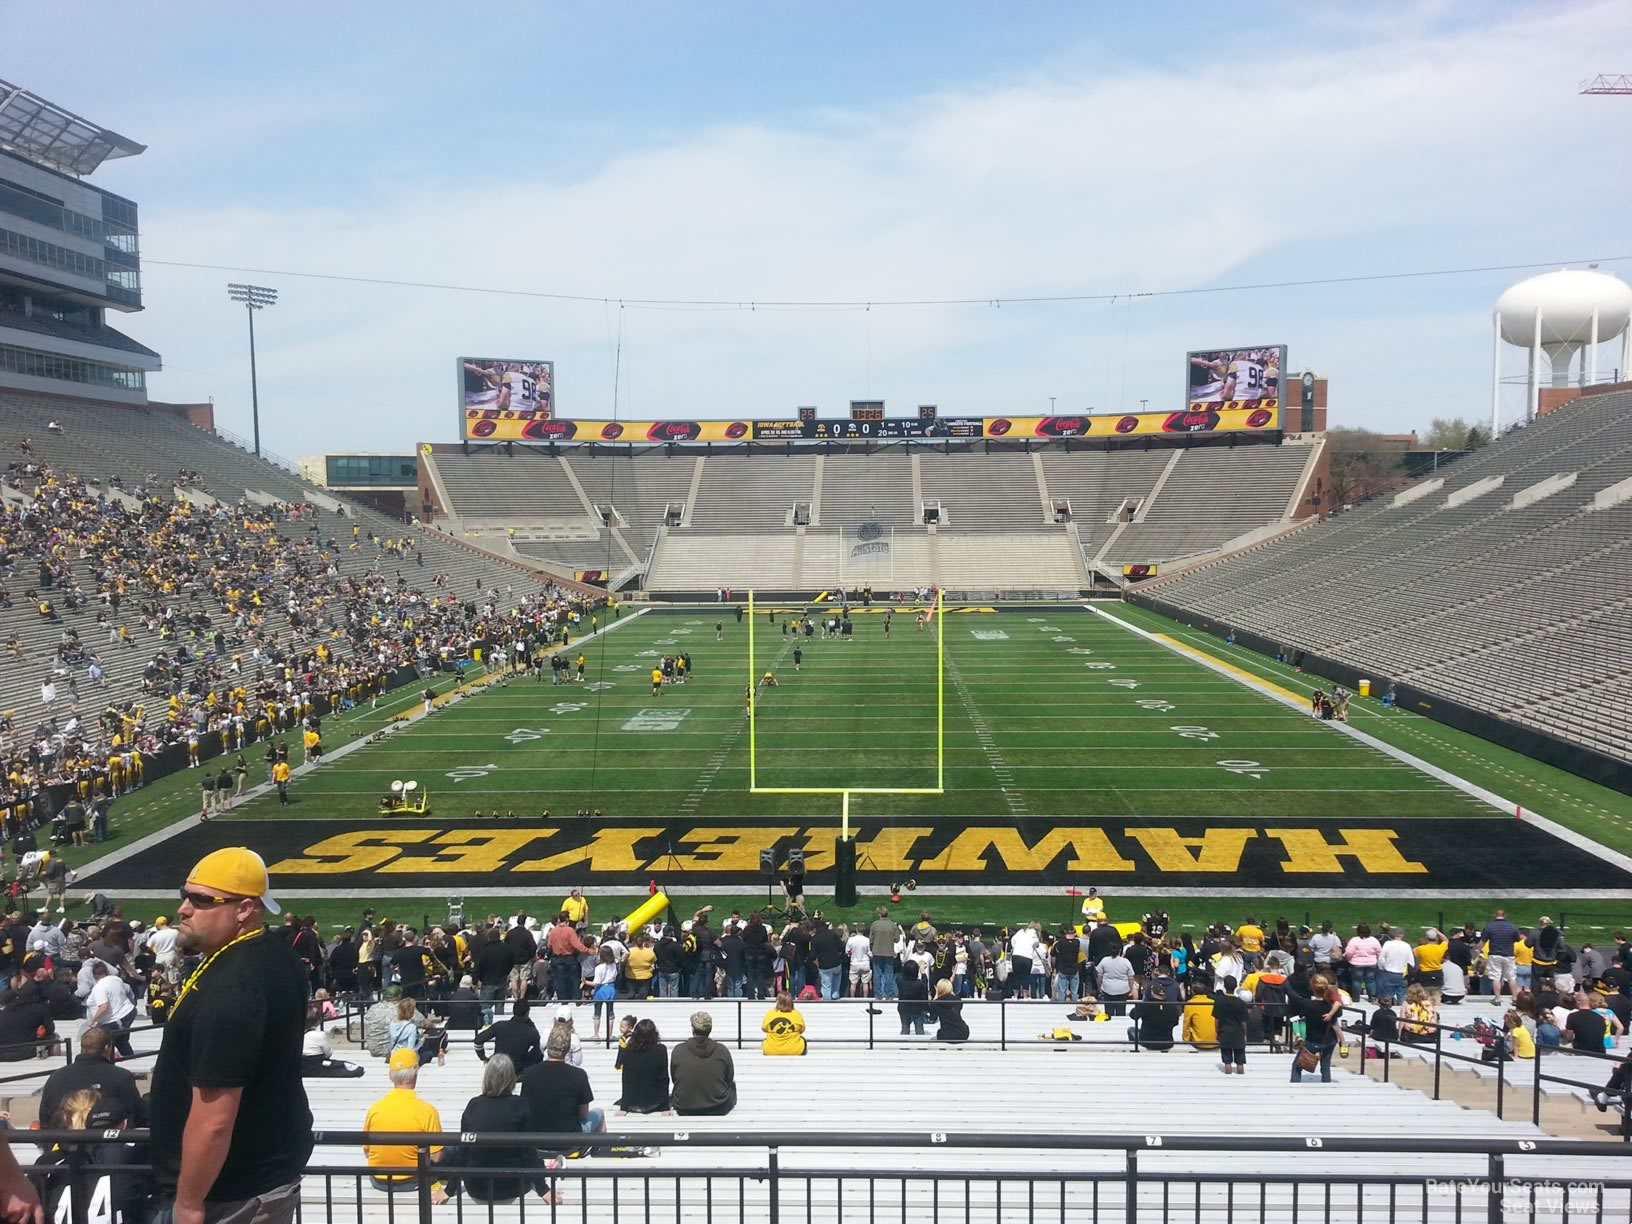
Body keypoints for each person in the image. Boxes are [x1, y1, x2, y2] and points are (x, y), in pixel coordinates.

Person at [150, 847, 313, 1224]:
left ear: (244, 909)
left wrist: (189, 1203)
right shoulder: (269, 954)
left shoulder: (234, 988)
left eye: (202, 900)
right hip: (253, 1179)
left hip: (226, 1196)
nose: (184, 909)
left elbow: (215, 1117)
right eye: (185, 896)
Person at [447, 1055, 562, 1205]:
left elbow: (463, 1151)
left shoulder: (473, 1105)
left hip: (477, 1187)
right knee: (537, 1160)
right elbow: (527, 1152)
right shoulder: (520, 1105)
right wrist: (543, 1189)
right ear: (511, 1078)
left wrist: (448, 1189)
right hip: (513, 1185)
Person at [363, 1049, 448, 1200]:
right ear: (416, 1074)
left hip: (379, 1180)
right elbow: (437, 1157)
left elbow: (367, 1152)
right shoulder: (427, 1110)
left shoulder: (375, 1109)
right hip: (414, 1179)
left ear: (391, 1076)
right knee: (451, 1148)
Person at [39, 1022, 140, 1132]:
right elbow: (134, 1116)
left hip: (62, 1140)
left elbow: (45, 1119)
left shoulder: (56, 1077)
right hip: (106, 1143)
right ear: (107, 1047)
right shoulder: (122, 1077)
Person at [520, 1025, 605, 1140]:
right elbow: (583, 1115)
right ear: (568, 1048)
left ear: (547, 1045)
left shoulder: (529, 1073)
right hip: (569, 1139)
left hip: (537, 1138)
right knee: (599, 1114)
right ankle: (598, 1150)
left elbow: (525, 1107)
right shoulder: (578, 1075)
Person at [670, 1011, 736, 1116]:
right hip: (718, 1107)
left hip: (685, 1107)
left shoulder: (678, 1050)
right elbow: (729, 1078)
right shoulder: (722, 1050)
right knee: (732, 1086)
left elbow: (675, 1078)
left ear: (693, 1029)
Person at [1291, 975, 1344, 1083]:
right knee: (1325, 1066)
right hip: (1329, 1040)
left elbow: (1296, 1013)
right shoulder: (1332, 1006)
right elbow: (1336, 1020)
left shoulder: (1307, 1004)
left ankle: (1294, 1087)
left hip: (1312, 1040)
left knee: (1297, 1065)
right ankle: (1326, 1086)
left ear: (1312, 988)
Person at [617, 1018, 671, 1115]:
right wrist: (665, 1107)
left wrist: (623, 1107)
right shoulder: (661, 1050)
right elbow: (663, 1078)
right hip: (655, 1103)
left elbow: (626, 1079)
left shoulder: (628, 1050)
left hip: (633, 1103)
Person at [84, 961, 135, 1058]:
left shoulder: (99, 988)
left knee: (102, 1040)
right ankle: (129, 1057)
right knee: (120, 1040)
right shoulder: (116, 979)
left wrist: (92, 1021)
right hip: (128, 1012)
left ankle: (104, 1059)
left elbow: (103, 1007)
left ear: (94, 975)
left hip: (117, 1017)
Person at [475, 997, 542, 1070]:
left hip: (498, 1068)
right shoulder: (532, 1032)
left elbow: (478, 1040)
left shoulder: (500, 1025)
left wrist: (484, 1058)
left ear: (513, 1011)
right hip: (517, 1071)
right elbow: (538, 1052)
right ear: (528, 1012)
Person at [302, 1001, 364, 1078]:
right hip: (317, 1065)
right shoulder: (320, 1035)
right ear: (318, 1021)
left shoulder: (294, 1033)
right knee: (345, 1066)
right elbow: (328, 1053)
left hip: (300, 1065)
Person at [1212, 976, 1249, 1074]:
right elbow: (1243, 1021)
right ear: (1236, 986)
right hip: (1238, 1033)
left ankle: (1228, 1077)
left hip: (1224, 1032)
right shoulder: (1241, 1003)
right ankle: (1241, 1077)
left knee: (1227, 1062)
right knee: (1240, 1063)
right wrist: (1245, 1034)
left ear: (1224, 986)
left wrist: (1216, 1032)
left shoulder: (1219, 1001)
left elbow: (1217, 1019)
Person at [1130, 981, 1180, 1051]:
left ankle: (1136, 1051)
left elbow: (1132, 1015)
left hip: (1148, 1042)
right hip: (1167, 1042)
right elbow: (1175, 1022)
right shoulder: (1172, 1007)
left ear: (1152, 993)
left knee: (1131, 1030)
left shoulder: (1146, 1005)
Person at [762, 991, 807, 1055]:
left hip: (771, 1050)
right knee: (803, 1039)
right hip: (795, 1050)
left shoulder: (770, 1013)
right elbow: (802, 1029)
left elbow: (764, 1028)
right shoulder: (797, 1014)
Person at [898, 960, 930, 1036]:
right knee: (919, 1029)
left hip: (904, 1008)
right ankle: (921, 1047)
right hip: (917, 1009)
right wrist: (923, 972)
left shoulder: (900, 981)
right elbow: (925, 986)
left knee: (905, 1029)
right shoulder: (919, 983)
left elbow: (901, 975)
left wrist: (906, 968)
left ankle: (904, 1047)